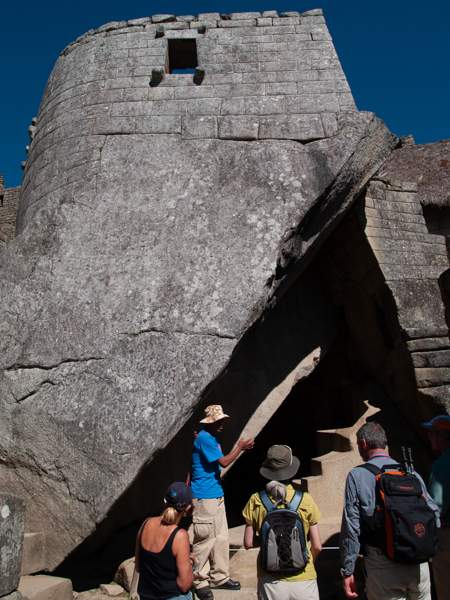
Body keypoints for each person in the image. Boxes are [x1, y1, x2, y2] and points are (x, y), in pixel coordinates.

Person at [340, 421, 439, 600]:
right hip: (419, 564)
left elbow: (352, 526)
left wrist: (348, 569)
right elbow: (434, 515)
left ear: (363, 443)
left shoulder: (358, 475)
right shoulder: (410, 473)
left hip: (382, 563)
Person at [190, 404, 254, 600]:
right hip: (204, 496)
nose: (222, 424)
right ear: (209, 423)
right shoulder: (205, 438)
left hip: (215, 493)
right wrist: (240, 448)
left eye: (222, 420)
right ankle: (199, 580)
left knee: (221, 536)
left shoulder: (210, 438)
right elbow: (224, 462)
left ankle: (220, 576)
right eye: (218, 421)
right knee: (205, 538)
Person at [242, 444, 322, 600]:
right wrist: (307, 560)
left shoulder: (256, 500)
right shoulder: (305, 499)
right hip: (303, 578)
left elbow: (248, 543)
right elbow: (317, 546)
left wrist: (270, 539)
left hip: (270, 578)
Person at [135, 482, 195, 600]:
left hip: (146, 595)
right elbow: (184, 585)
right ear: (187, 508)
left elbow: (138, 567)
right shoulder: (180, 536)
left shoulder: (146, 523)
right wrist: (191, 562)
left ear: (165, 502)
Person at [422, 415, 450, 600]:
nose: (429, 437)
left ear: (441, 435)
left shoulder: (440, 466)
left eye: (432, 433)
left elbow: (435, 509)